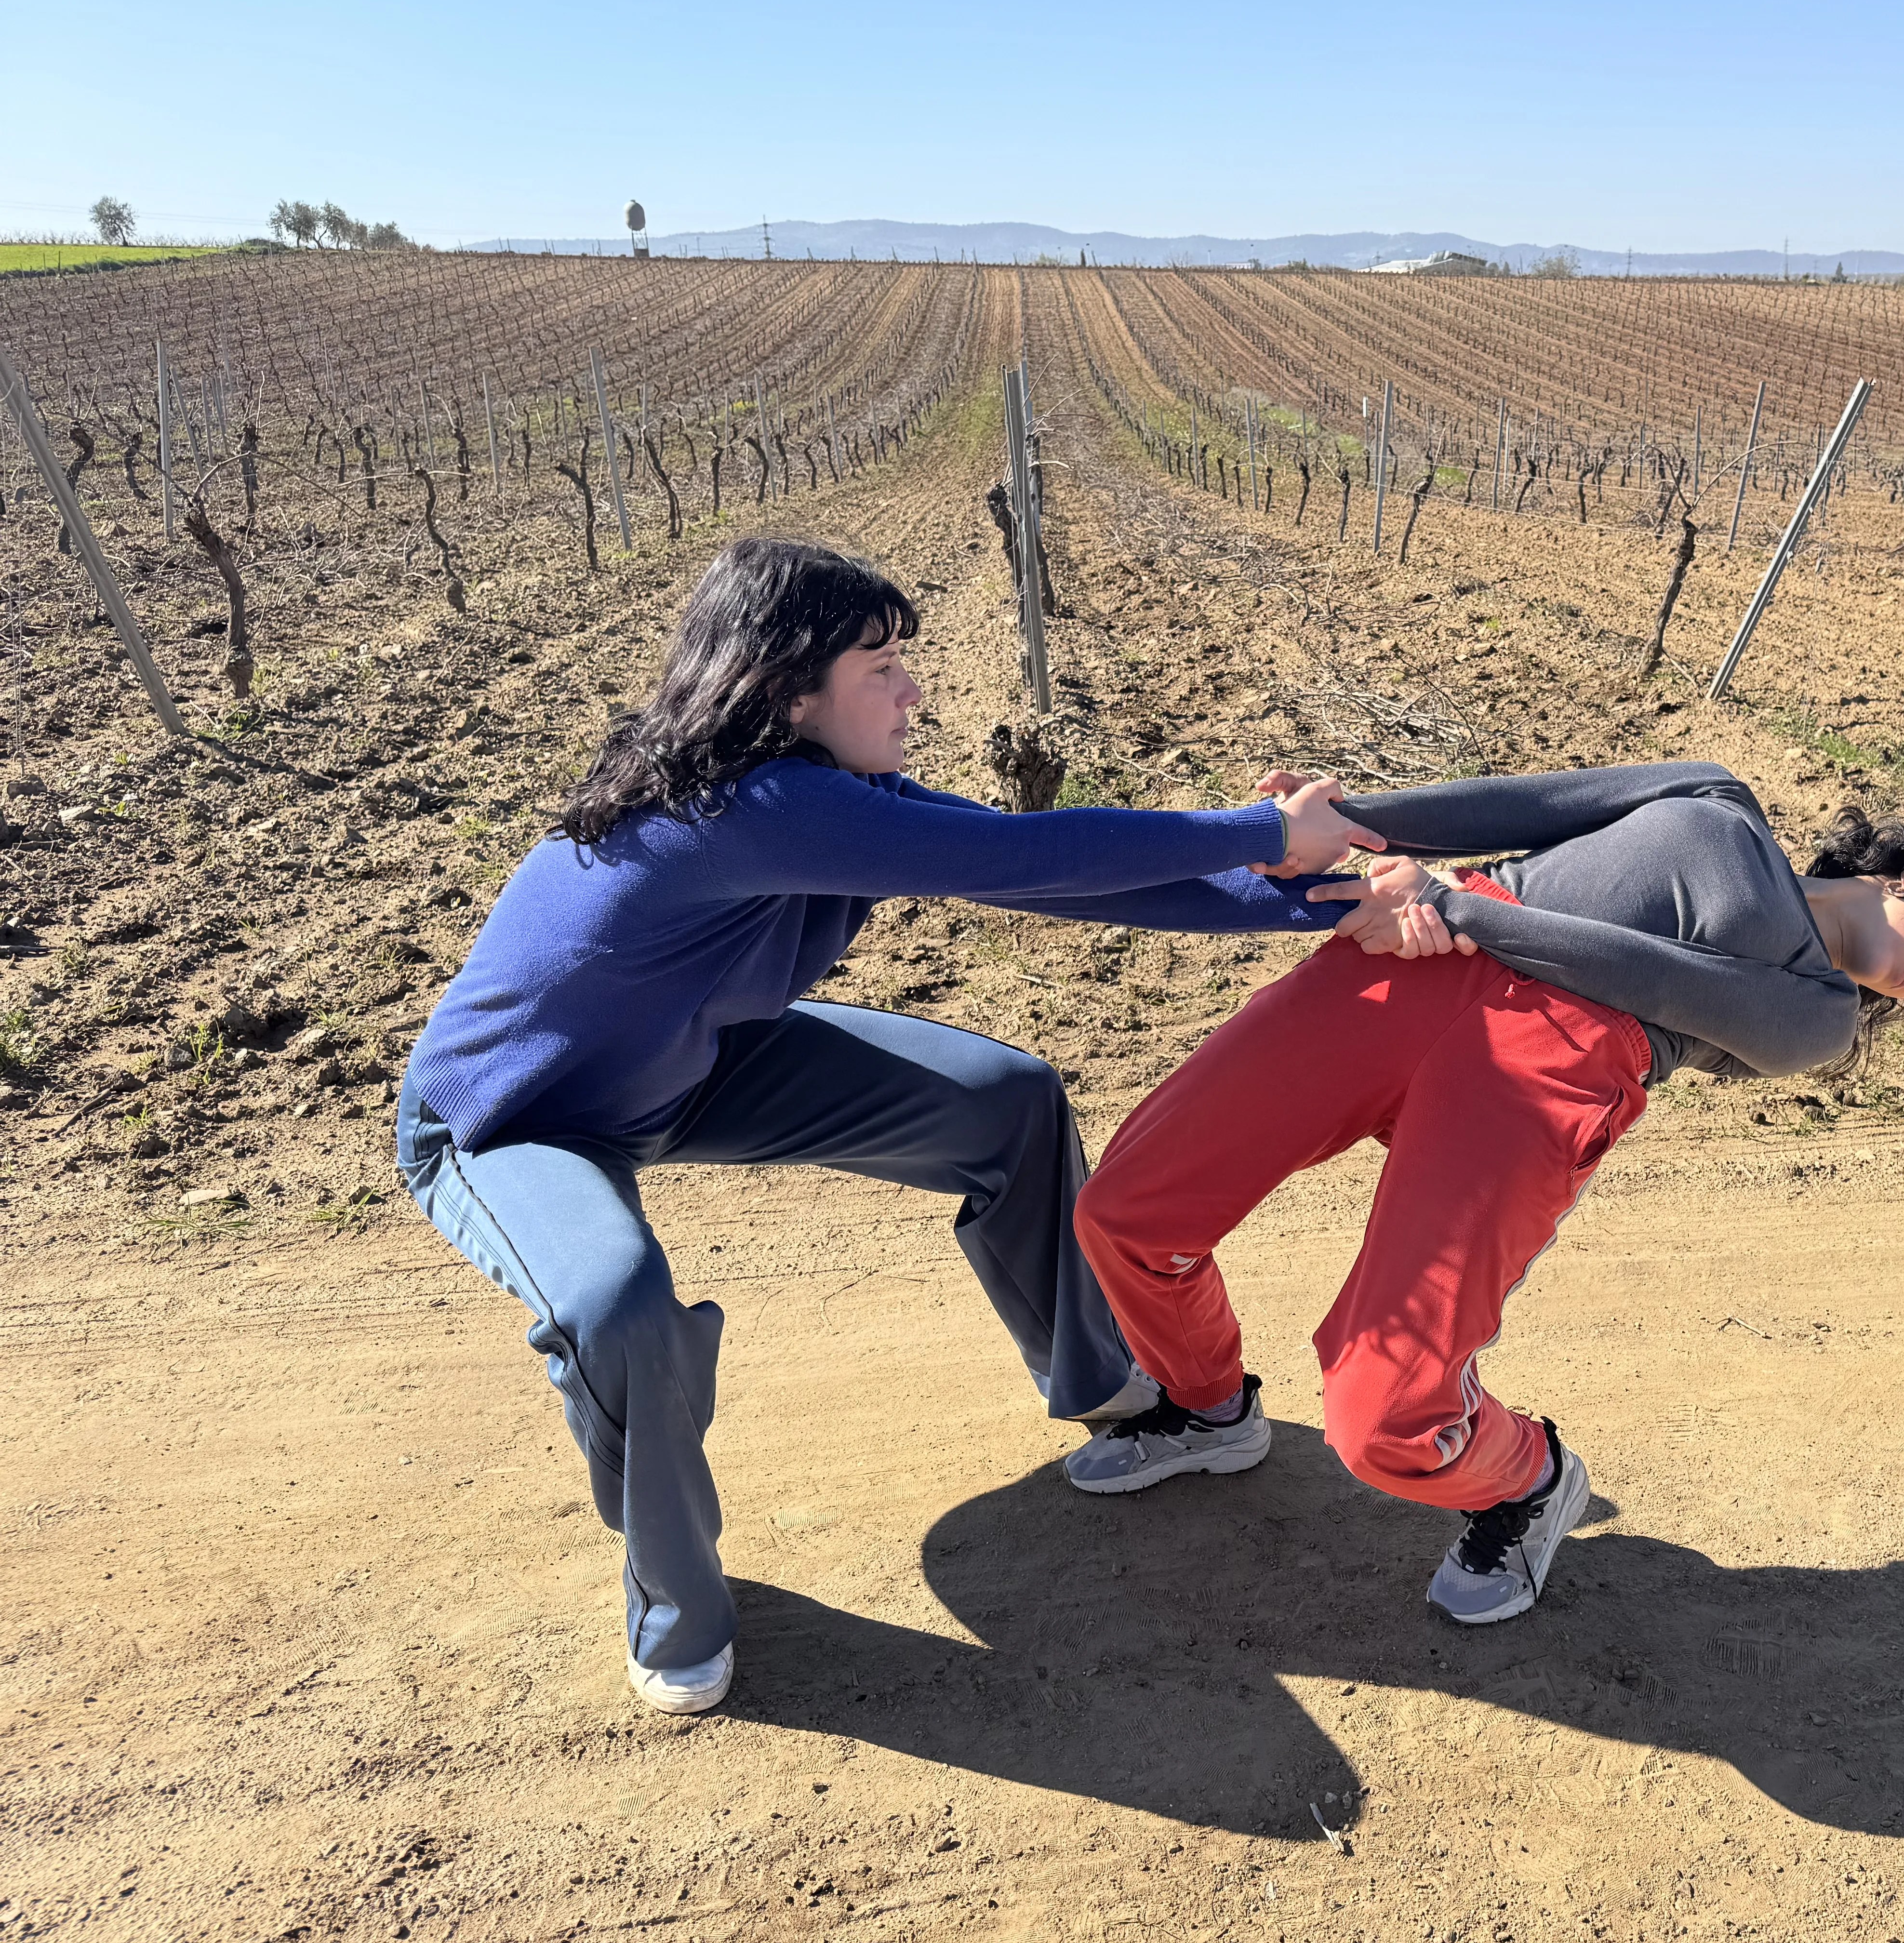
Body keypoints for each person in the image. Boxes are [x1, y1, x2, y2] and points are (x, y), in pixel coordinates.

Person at [396, 538, 1390, 1715]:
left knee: (1005, 1103)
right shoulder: (751, 806)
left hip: (694, 1065)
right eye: (881, 668)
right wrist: (1261, 829)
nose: (913, 691)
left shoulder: (830, 794)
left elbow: (1049, 878)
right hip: (512, 1120)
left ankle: (1114, 1388)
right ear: (787, 690)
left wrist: (1322, 902)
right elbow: (1020, 850)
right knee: (616, 1307)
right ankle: (675, 1611)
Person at [1063, 761, 1904, 1624]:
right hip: (1420, 961)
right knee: (1130, 1211)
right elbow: (1522, 807)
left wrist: (1460, 909)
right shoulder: (1718, 798)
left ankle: (1527, 1480)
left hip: (1548, 1061)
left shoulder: (1818, 1019)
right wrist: (1336, 824)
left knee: (1387, 1415)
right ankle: (1208, 1407)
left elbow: (1648, 974)